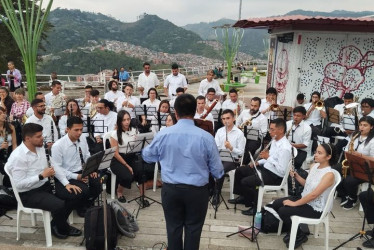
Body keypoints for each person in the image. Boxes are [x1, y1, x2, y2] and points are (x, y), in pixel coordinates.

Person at [142, 93, 224, 250]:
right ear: (194, 112)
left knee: (173, 229)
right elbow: (218, 171)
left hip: (171, 190)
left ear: (175, 112)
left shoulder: (163, 134)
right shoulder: (206, 137)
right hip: (197, 192)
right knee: (194, 230)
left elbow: (147, 156)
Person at [5, 123, 83, 239]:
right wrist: (41, 176)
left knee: (76, 194)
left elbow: (54, 166)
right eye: (38, 136)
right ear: (28, 138)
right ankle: (62, 227)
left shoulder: (40, 148)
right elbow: (19, 185)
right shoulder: (18, 157)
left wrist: (67, 184)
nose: (42, 138)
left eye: (42, 135)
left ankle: (56, 223)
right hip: (28, 193)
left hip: (44, 185)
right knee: (59, 204)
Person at [271, 143, 336, 248]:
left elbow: (314, 195)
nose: (315, 155)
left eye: (319, 153)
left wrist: (294, 204)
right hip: (305, 199)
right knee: (276, 204)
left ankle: (299, 234)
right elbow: (308, 185)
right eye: (315, 152)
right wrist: (297, 176)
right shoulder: (314, 166)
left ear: (328, 157)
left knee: (284, 210)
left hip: (315, 208)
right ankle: (295, 231)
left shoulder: (329, 175)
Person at [229, 118, 292, 215]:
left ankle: (255, 207)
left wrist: (267, 158)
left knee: (246, 182)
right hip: (266, 168)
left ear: (281, 130)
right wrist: (260, 162)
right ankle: (244, 197)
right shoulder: (275, 140)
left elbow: (282, 170)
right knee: (240, 171)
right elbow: (272, 158)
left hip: (275, 176)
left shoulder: (285, 148)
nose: (269, 132)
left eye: (272, 129)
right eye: (269, 129)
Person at [51, 116, 101, 216]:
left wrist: (91, 169)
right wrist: (77, 177)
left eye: (81, 129)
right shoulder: (58, 146)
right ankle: (80, 206)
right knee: (84, 190)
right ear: (67, 130)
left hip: (81, 170)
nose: (79, 133)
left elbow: (87, 156)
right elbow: (57, 169)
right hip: (66, 175)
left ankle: (85, 204)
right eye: (76, 130)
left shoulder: (82, 138)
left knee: (98, 183)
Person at [336, 116, 374, 210]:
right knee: (334, 170)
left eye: (365, 125)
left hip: (367, 169)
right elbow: (347, 149)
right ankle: (343, 194)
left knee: (349, 180)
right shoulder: (355, 136)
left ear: (372, 127)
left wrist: (360, 155)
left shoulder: (372, 140)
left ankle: (352, 198)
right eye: (360, 125)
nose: (362, 127)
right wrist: (348, 153)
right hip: (353, 164)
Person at [109, 111, 147, 202]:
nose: (127, 122)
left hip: (132, 156)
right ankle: (119, 192)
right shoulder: (114, 134)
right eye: (124, 120)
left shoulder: (135, 130)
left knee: (142, 172)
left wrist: (138, 141)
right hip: (118, 159)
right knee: (128, 176)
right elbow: (115, 153)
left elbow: (139, 146)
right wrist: (127, 166)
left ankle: (142, 196)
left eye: (128, 119)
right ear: (119, 121)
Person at [236, 97, 268, 164]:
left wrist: (254, 130)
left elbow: (264, 134)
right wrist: (238, 127)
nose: (253, 108)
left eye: (255, 106)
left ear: (259, 106)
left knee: (249, 147)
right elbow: (237, 122)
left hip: (255, 139)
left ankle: (243, 164)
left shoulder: (263, 118)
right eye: (252, 105)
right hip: (242, 135)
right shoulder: (244, 112)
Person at [0, 107, 17, 187]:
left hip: (10, 152)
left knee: (13, 168)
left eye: (4, 113)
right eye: (0, 113)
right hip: (0, 154)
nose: (3, 115)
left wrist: (15, 156)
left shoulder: (10, 127)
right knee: (6, 170)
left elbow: (14, 144)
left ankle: (11, 188)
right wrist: (1, 147)